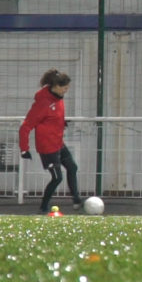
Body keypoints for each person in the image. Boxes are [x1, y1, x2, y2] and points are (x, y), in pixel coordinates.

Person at [19, 69, 82, 214]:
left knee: (72, 167)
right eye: (65, 88)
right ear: (56, 86)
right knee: (57, 178)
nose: (66, 91)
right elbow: (26, 126)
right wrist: (24, 148)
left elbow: (52, 117)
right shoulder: (43, 103)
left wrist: (61, 122)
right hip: (47, 148)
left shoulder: (58, 99)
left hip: (58, 143)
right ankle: (43, 207)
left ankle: (77, 200)